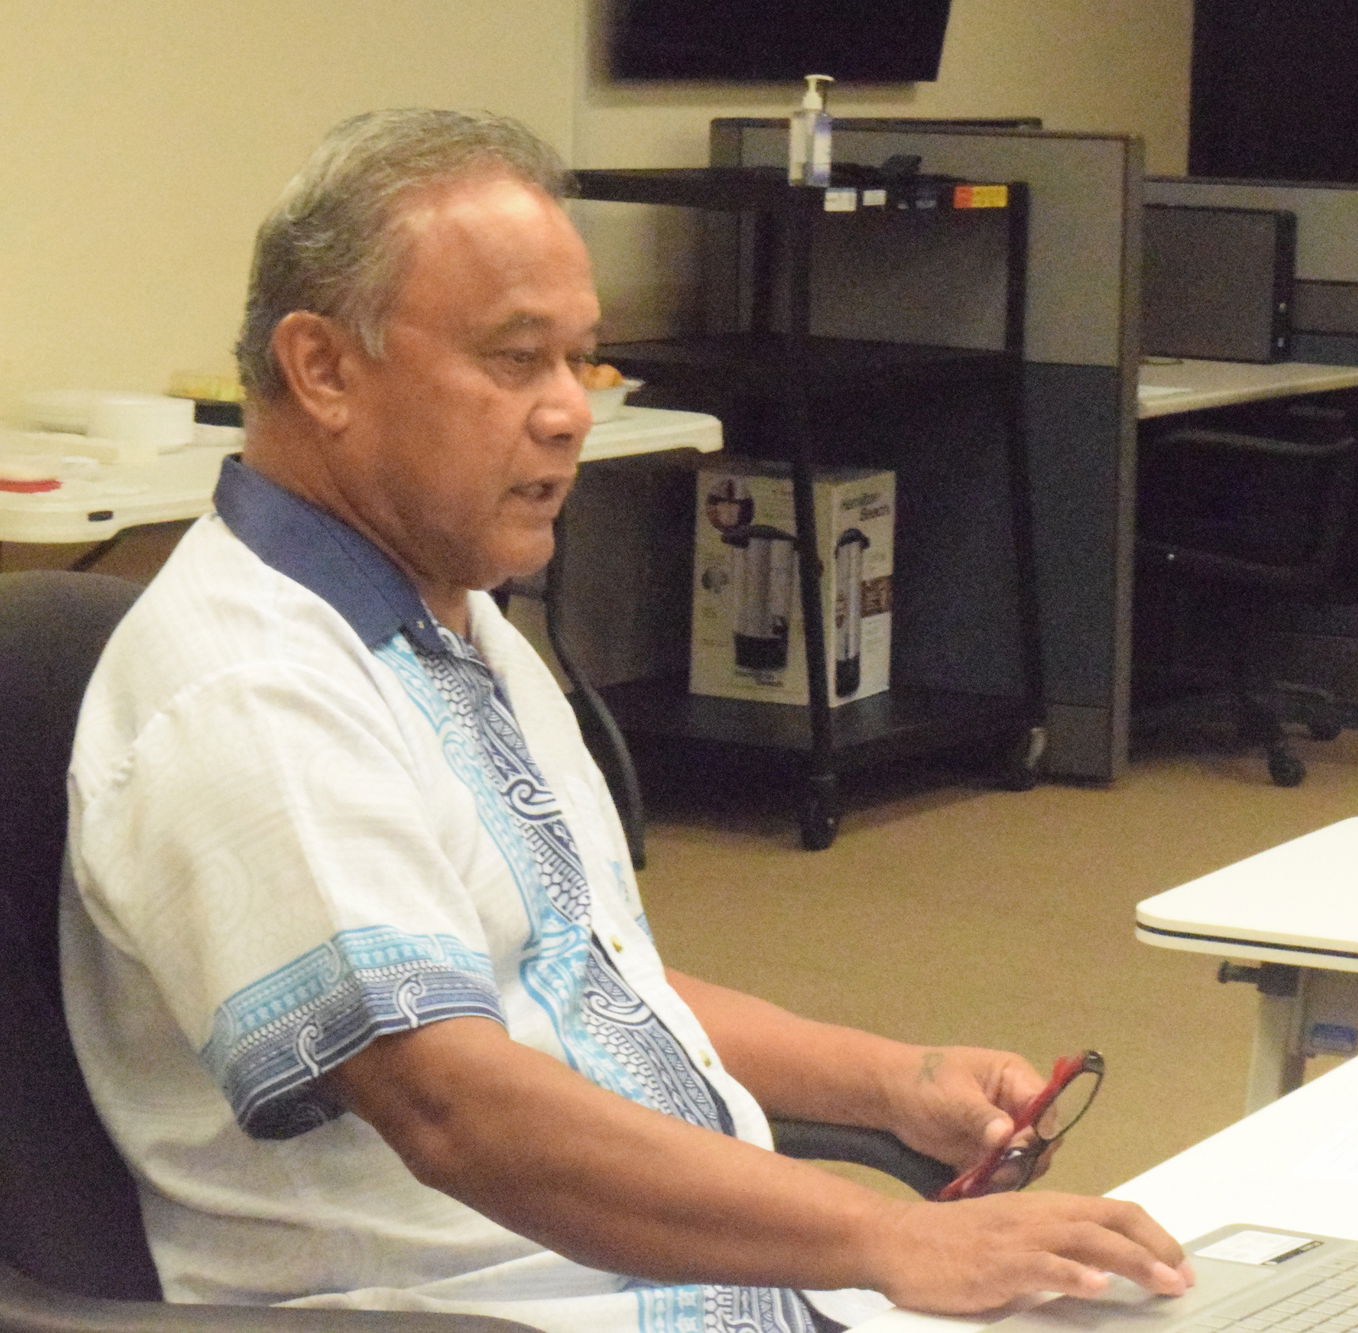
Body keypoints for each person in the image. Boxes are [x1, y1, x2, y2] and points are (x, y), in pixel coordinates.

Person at [62, 108, 1192, 1332]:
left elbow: (580, 979)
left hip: (702, 1285)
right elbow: (453, 1105)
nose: (568, 412)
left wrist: (890, 1081)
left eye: (580, 362)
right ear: (322, 369)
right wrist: (887, 1237)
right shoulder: (251, 690)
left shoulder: (449, 620)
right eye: (515, 359)